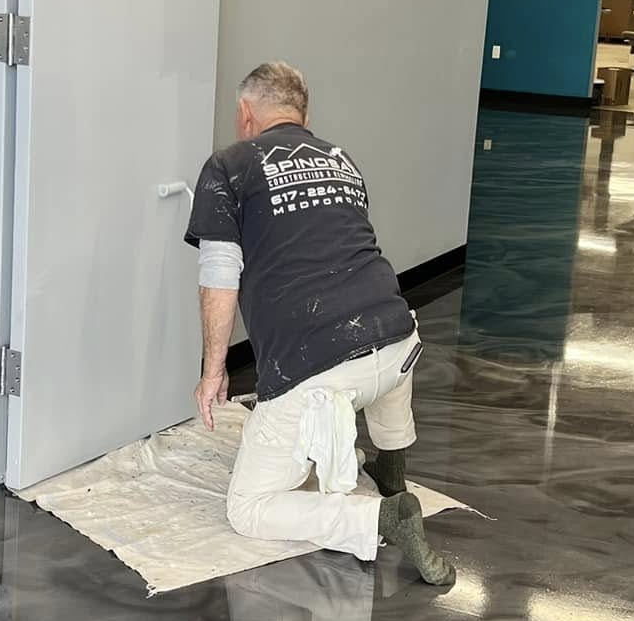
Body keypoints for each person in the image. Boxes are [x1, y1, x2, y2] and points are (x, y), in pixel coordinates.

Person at [184, 62, 455, 585]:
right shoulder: (340, 159)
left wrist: (213, 370)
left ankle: (382, 517)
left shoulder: (229, 166)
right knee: (384, 343)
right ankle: (391, 470)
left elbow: (219, 274)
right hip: (397, 344)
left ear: (245, 113)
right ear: (303, 116)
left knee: (249, 507)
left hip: (319, 365)